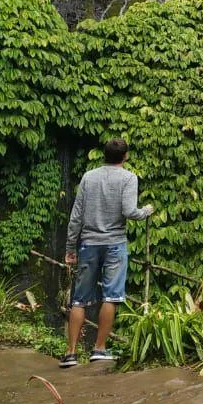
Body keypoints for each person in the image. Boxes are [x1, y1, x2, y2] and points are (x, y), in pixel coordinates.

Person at [60, 137, 154, 367]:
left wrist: (70, 248)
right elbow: (129, 210)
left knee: (79, 299)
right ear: (126, 156)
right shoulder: (129, 178)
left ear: (104, 155)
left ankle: (70, 354)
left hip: (88, 243)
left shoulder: (88, 177)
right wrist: (145, 211)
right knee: (111, 296)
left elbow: (76, 216)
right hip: (114, 243)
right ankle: (99, 349)